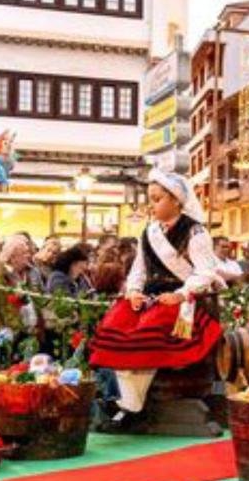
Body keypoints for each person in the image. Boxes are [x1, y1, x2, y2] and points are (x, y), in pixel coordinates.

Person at [89, 171, 222, 423]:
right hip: (150, 300)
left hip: (181, 303)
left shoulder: (195, 232)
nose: (152, 205)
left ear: (176, 200)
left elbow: (206, 272)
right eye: (151, 198)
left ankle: (128, 406)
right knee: (115, 328)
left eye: (157, 199)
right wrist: (133, 291)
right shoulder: (148, 232)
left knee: (144, 335)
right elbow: (139, 270)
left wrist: (181, 294)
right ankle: (122, 400)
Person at [0, 236, 39, 338]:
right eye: (25, 253)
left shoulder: (24, 273)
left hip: (25, 333)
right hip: (6, 336)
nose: (29, 256)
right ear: (13, 257)